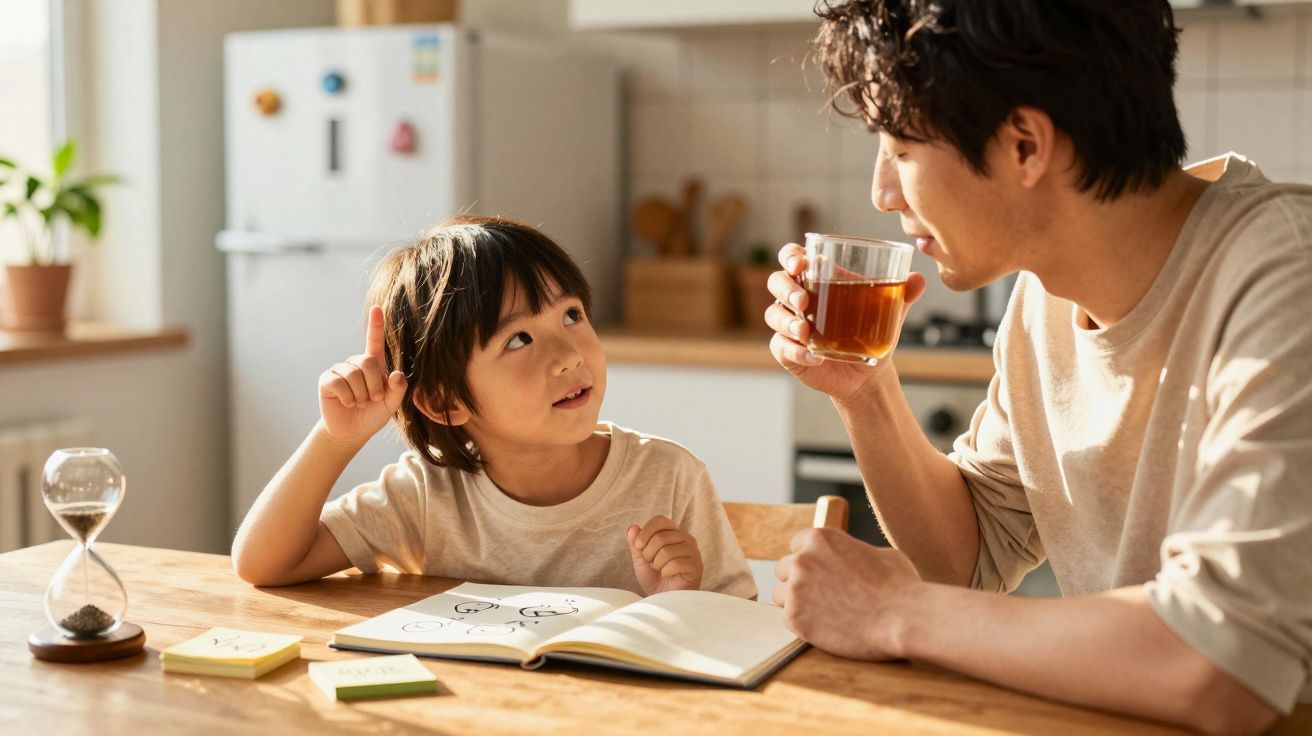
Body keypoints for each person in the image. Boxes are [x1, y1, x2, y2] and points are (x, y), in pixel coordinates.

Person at [765, 1, 1311, 733]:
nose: (882, 193)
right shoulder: (1044, 295)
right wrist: (866, 391)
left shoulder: (1285, 279)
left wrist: (893, 612)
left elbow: (1221, 666)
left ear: (1024, 145)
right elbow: (966, 556)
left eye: (899, 149)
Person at [233, 215, 755, 600]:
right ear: (445, 401)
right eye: (519, 339)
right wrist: (336, 439)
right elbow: (263, 563)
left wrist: (677, 598)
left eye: (571, 315)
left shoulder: (669, 478)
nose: (568, 355)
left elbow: (741, 630)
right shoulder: (425, 496)